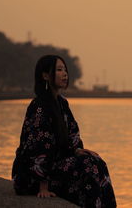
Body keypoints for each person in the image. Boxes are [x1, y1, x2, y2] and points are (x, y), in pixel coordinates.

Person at [12, 55, 116, 208]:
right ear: (45, 75)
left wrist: (77, 150)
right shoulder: (39, 107)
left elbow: (72, 132)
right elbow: (39, 147)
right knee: (87, 166)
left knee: (97, 161)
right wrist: (43, 186)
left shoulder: (62, 103)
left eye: (65, 70)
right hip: (31, 177)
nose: (65, 74)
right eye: (59, 70)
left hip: (55, 167)